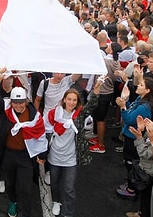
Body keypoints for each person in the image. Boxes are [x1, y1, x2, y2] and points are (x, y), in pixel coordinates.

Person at [0, 67, 48, 217]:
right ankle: (12, 201)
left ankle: (25, 213)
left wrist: (42, 153)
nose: (18, 106)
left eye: (21, 102)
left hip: (25, 156)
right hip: (8, 154)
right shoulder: (6, 108)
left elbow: (40, 134)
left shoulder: (34, 115)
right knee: (10, 183)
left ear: (26, 100)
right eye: (15, 102)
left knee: (25, 187)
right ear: (11, 101)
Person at [44, 82, 102, 217]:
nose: (71, 102)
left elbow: (92, 104)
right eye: (69, 99)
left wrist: (97, 89)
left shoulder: (80, 114)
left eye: (74, 100)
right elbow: (45, 129)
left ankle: (68, 213)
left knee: (69, 188)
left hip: (71, 158)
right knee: (55, 183)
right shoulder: (54, 113)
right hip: (55, 156)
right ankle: (56, 202)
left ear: (77, 102)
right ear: (64, 99)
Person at [115, 77, 153, 199]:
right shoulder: (141, 100)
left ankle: (132, 188)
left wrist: (123, 107)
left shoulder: (144, 107)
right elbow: (131, 111)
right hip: (132, 136)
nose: (138, 86)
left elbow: (129, 119)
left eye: (141, 85)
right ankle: (131, 180)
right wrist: (126, 102)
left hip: (133, 137)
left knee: (131, 161)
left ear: (147, 90)